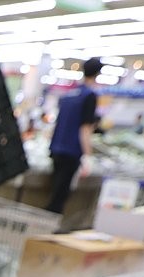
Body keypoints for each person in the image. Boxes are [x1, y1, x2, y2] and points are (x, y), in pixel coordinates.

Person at [46, 58, 102, 215]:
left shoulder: (70, 94)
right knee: (60, 196)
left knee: (54, 191)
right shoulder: (89, 96)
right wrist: (87, 156)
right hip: (71, 152)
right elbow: (85, 128)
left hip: (56, 148)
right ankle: (48, 230)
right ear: (97, 74)